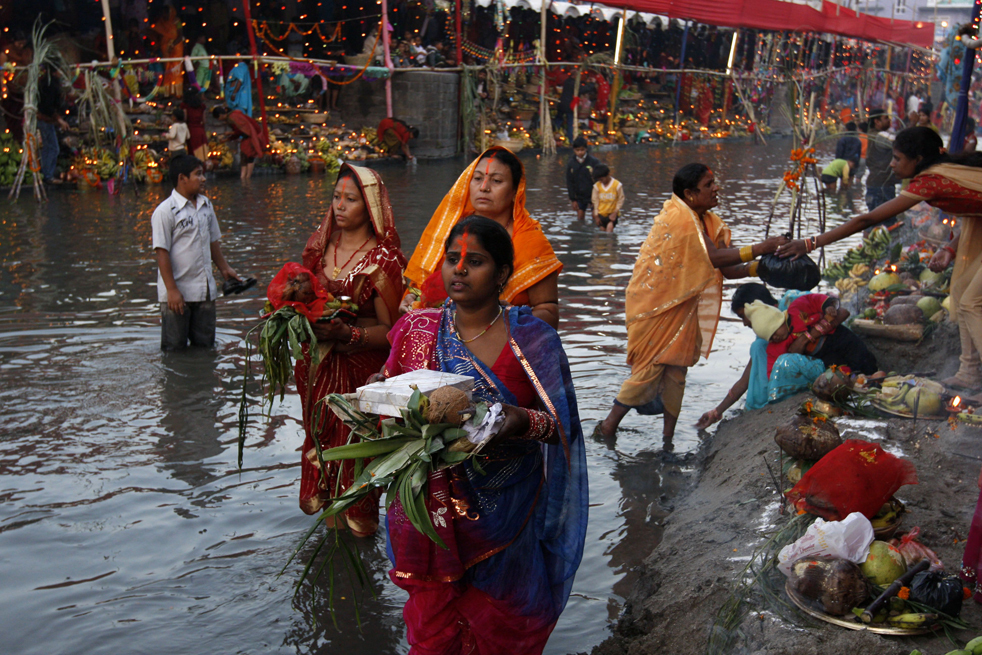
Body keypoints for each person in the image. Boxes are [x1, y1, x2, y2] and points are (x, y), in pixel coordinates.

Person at [382, 215, 587, 655]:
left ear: (503, 275)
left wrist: (517, 420)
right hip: (431, 516)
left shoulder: (533, 339)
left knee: (505, 625)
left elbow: (560, 429)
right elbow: (385, 406)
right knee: (436, 631)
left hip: (508, 513)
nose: (458, 269)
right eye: (452, 259)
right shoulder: (414, 332)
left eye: (474, 261)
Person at [778, 127, 982, 401]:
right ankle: (969, 372)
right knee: (960, 293)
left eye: (897, 158)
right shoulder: (942, 173)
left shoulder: (930, 182)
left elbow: (866, 220)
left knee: (971, 302)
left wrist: (810, 243)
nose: (891, 164)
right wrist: (949, 248)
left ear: (918, 159)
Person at [596, 164, 789, 441]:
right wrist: (762, 247)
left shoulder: (705, 220)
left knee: (677, 371)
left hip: (680, 306)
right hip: (653, 306)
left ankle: (667, 440)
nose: (716, 188)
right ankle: (608, 427)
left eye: (714, 182)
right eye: (709, 185)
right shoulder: (680, 218)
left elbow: (729, 269)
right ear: (689, 193)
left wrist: (764, 266)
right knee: (650, 369)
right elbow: (713, 258)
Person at [293, 163, 407, 524]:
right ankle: (332, 542)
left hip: (362, 377)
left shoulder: (384, 261)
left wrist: (350, 335)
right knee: (322, 449)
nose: (340, 206)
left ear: (370, 207)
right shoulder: (319, 249)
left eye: (351, 200)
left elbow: (394, 332)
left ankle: (360, 545)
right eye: (336, 198)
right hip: (318, 372)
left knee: (357, 459)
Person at [400, 147, 562, 328]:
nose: (484, 187)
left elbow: (549, 313)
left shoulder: (530, 242)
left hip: (504, 347)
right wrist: (411, 298)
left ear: (516, 190)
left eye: (497, 181)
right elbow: (422, 284)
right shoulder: (449, 229)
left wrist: (507, 318)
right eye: (477, 179)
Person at [695, 285, 826, 428]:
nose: (744, 323)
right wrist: (716, 411)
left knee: (768, 352)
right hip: (803, 369)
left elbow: (832, 311)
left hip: (824, 366)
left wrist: (807, 337)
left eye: (744, 317)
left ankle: (768, 401)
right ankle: (761, 402)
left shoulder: (794, 305)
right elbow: (746, 377)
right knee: (758, 348)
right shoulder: (766, 333)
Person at [151, 155, 240, 350]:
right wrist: (172, 291)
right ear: (182, 178)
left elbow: (212, 241)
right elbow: (162, 253)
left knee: (206, 347)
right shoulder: (165, 211)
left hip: (204, 290)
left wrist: (225, 269)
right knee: (174, 350)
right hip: (177, 293)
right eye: (198, 174)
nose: (203, 179)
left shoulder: (206, 205)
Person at [745, 292, 877, 375]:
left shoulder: (797, 308)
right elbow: (774, 370)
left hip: (837, 337)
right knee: (841, 371)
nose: (775, 337)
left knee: (862, 357)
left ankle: (873, 374)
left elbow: (815, 300)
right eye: (770, 338)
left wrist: (828, 308)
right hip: (821, 355)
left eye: (774, 331)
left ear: (779, 320)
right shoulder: (775, 347)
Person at [213, 105, 268, 179]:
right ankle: (243, 177)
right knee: (244, 155)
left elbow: (240, 130)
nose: (219, 120)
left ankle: (247, 177)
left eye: (218, 118)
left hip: (252, 135)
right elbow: (239, 131)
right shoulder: (231, 117)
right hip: (248, 136)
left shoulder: (233, 117)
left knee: (249, 156)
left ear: (220, 115)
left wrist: (230, 133)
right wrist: (227, 139)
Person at [37, 65, 68, 185]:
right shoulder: (50, 85)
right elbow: (48, 107)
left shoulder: (47, 83)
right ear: (54, 72)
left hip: (44, 119)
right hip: (45, 120)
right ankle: (48, 176)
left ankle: (45, 174)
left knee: (47, 147)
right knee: (53, 148)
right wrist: (59, 120)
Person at [865, 109, 899, 213]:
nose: (889, 120)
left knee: (874, 221)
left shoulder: (875, 134)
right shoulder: (879, 136)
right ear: (877, 121)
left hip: (877, 184)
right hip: (881, 186)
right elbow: (901, 141)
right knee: (884, 222)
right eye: (886, 118)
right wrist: (912, 123)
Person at [566, 136, 600, 221]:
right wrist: (573, 199)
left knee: (595, 216)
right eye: (577, 150)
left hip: (593, 194)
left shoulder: (594, 162)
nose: (580, 152)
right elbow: (569, 182)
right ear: (574, 150)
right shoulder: (571, 163)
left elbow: (599, 179)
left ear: (586, 149)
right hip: (579, 195)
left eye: (582, 150)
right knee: (580, 216)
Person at [591, 163, 624, 233]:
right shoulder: (596, 187)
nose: (600, 181)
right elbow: (595, 202)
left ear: (608, 174)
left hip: (612, 214)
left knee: (609, 229)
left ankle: (610, 243)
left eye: (602, 179)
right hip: (601, 214)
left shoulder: (617, 185)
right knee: (602, 231)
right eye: (598, 179)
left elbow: (620, 199)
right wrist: (596, 216)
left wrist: (615, 212)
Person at [180, 88, 208, 161]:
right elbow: (204, 120)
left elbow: (185, 118)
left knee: (192, 152)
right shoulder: (202, 106)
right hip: (200, 130)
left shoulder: (185, 105)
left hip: (191, 130)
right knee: (201, 152)